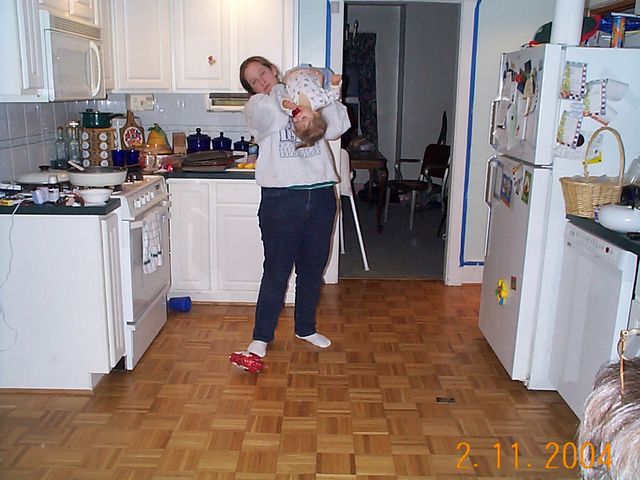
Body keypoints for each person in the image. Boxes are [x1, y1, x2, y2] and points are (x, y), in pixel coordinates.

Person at [238, 56, 350, 359]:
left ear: (273, 69)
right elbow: (275, 117)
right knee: (276, 271)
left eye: (263, 73)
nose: (261, 81)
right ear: (251, 89)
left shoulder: (304, 90)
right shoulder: (257, 106)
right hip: (281, 200)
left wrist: (319, 86)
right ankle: (261, 336)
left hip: (322, 194)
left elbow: (337, 127)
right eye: (253, 81)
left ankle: (305, 327)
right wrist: (294, 85)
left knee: (312, 270)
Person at [279, 65, 342, 147]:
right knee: (325, 74)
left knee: (283, 85)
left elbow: (284, 106)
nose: (297, 116)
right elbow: (334, 95)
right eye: (303, 118)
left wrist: (285, 104)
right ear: (316, 114)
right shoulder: (319, 101)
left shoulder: (292, 109)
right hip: (310, 72)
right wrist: (335, 83)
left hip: (291, 75)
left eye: (296, 122)